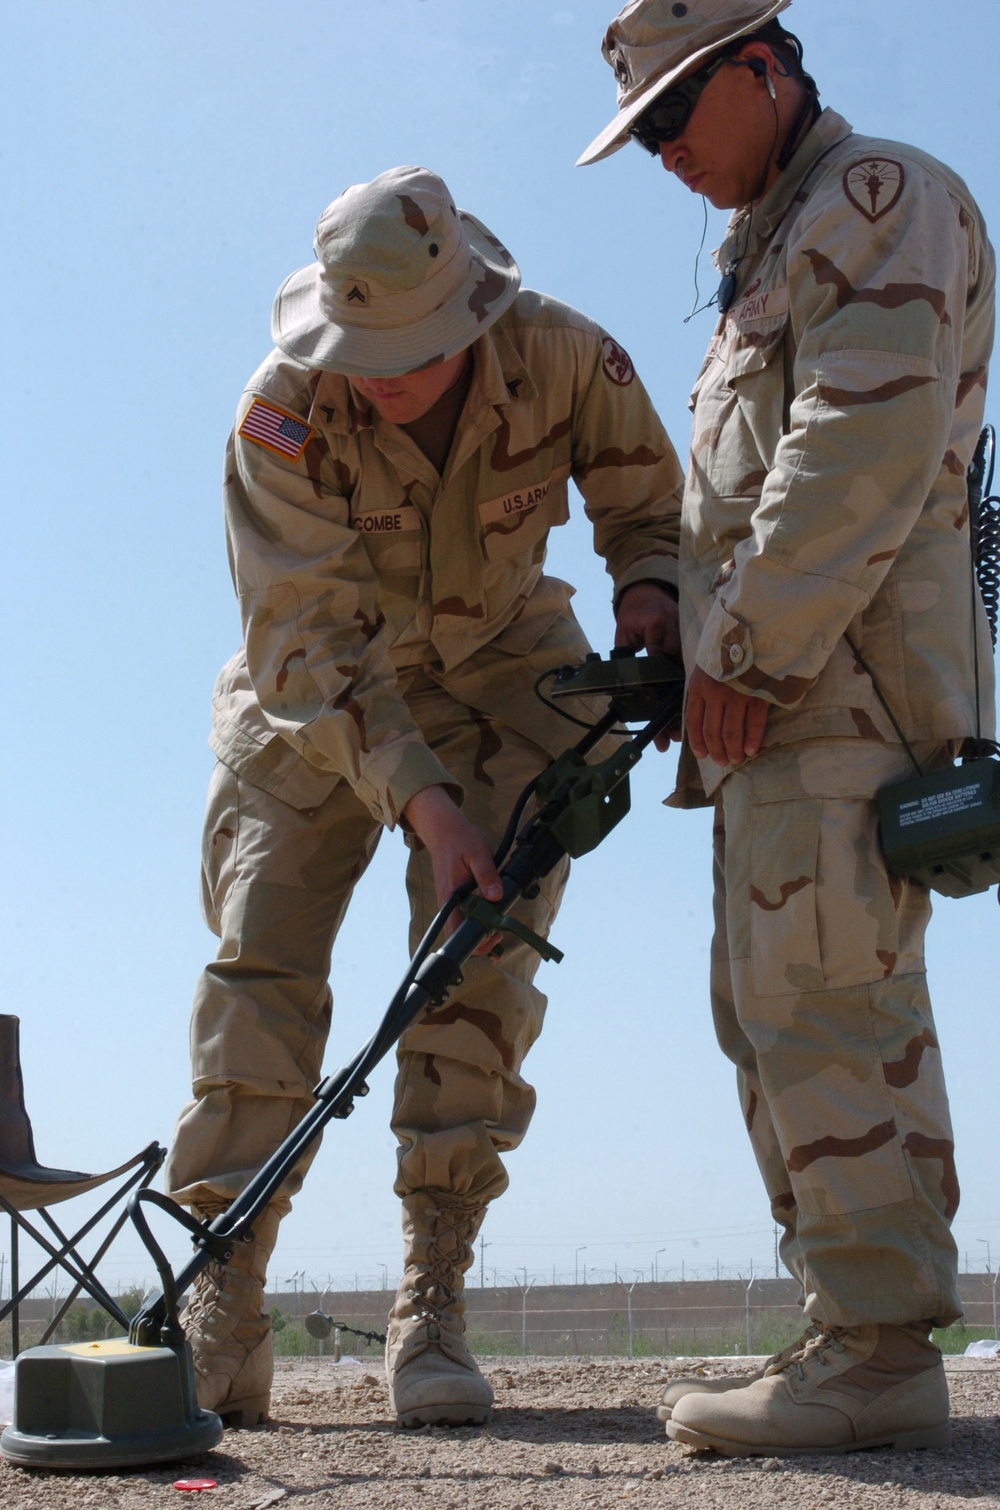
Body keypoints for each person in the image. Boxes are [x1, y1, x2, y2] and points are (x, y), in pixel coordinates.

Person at [163, 165, 684, 1430]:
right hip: (318, 700)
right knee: (262, 974)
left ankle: (431, 1300)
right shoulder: (276, 416)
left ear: (470, 314)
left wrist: (650, 599)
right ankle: (220, 1297)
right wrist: (425, 806)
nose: (380, 373)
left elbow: (648, 503)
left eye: (410, 351)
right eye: (361, 349)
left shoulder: (564, 354)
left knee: (480, 964)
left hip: (508, 675)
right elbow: (309, 645)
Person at [579, 0, 995, 1459]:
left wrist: (741, 645)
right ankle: (850, 1319)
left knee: (824, 997)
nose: (668, 158)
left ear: (765, 70)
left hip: (836, 687)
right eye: (646, 141)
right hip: (774, 698)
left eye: (679, 119)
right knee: (769, 1009)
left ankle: (880, 1347)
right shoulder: (772, 243)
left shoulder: (878, 200)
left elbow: (859, 441)